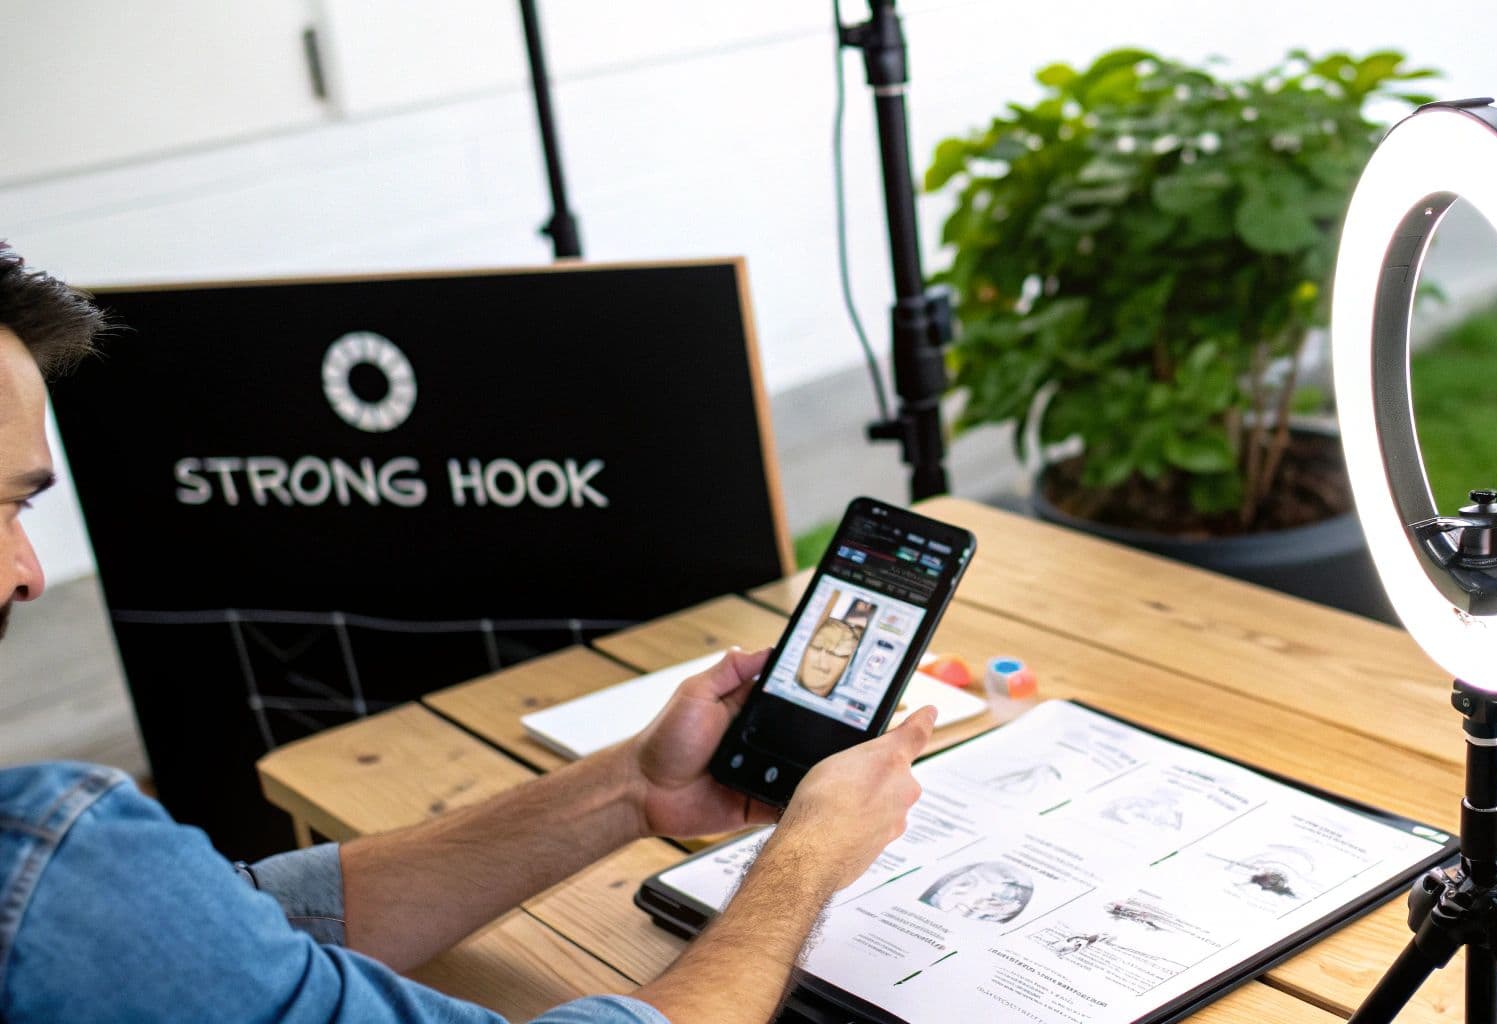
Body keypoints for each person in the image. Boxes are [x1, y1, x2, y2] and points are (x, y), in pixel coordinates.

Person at [0, 245, 936, 1023]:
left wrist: (632, 788)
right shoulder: (44, 861)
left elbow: (242, 936)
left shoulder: (79, 894)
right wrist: (804, 863)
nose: (30, 573)